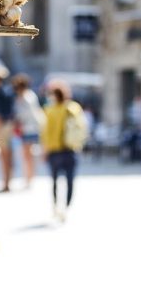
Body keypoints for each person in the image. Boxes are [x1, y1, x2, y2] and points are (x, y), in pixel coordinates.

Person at [41, 81, 88, 221]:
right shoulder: (73, 108)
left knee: (55, 181)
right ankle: (66, 208)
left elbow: (45, 132)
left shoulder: (49, 110)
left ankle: (56, 207)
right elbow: (81, 127)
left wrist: (45, 150)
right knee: (70, 181)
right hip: (70, 149)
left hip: (54, 151)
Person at [12, 74, 45, 187]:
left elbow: (27, 114)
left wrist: (18, 121)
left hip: (29, 128)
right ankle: (29, 177)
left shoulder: (27, 98)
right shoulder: (29, 96)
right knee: (27, 154)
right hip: (27, 128)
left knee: (27, 154)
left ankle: (29, 178)